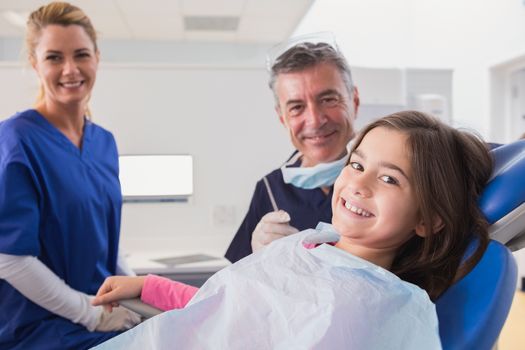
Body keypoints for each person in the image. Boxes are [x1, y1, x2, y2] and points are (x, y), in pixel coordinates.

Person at [92, 111, 492, 349]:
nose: (358, 184)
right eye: (356, 165)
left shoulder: (380, 304)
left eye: (389, 179)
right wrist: (147, 286)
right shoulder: (313, 245)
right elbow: (230, 311)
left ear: (428, 219)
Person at [0, 2, 140, 349]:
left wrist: (137, 287)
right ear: (34, 63)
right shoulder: (16, 139)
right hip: (40, 330)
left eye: (80, 55)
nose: (70, 69)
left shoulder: (103, 142)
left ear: (97, 58)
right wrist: (90, 314)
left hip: (100, 320)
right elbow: (9, 258)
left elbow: (104, 234)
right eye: (54, 57)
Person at [225, 37, 360, 262]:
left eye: (328, 99)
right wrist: (257, 258)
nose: (315, 121)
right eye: (297, 107)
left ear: (354, 100)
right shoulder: (270, 190)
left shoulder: (392, 180)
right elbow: (238, 288)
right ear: (282, 118)